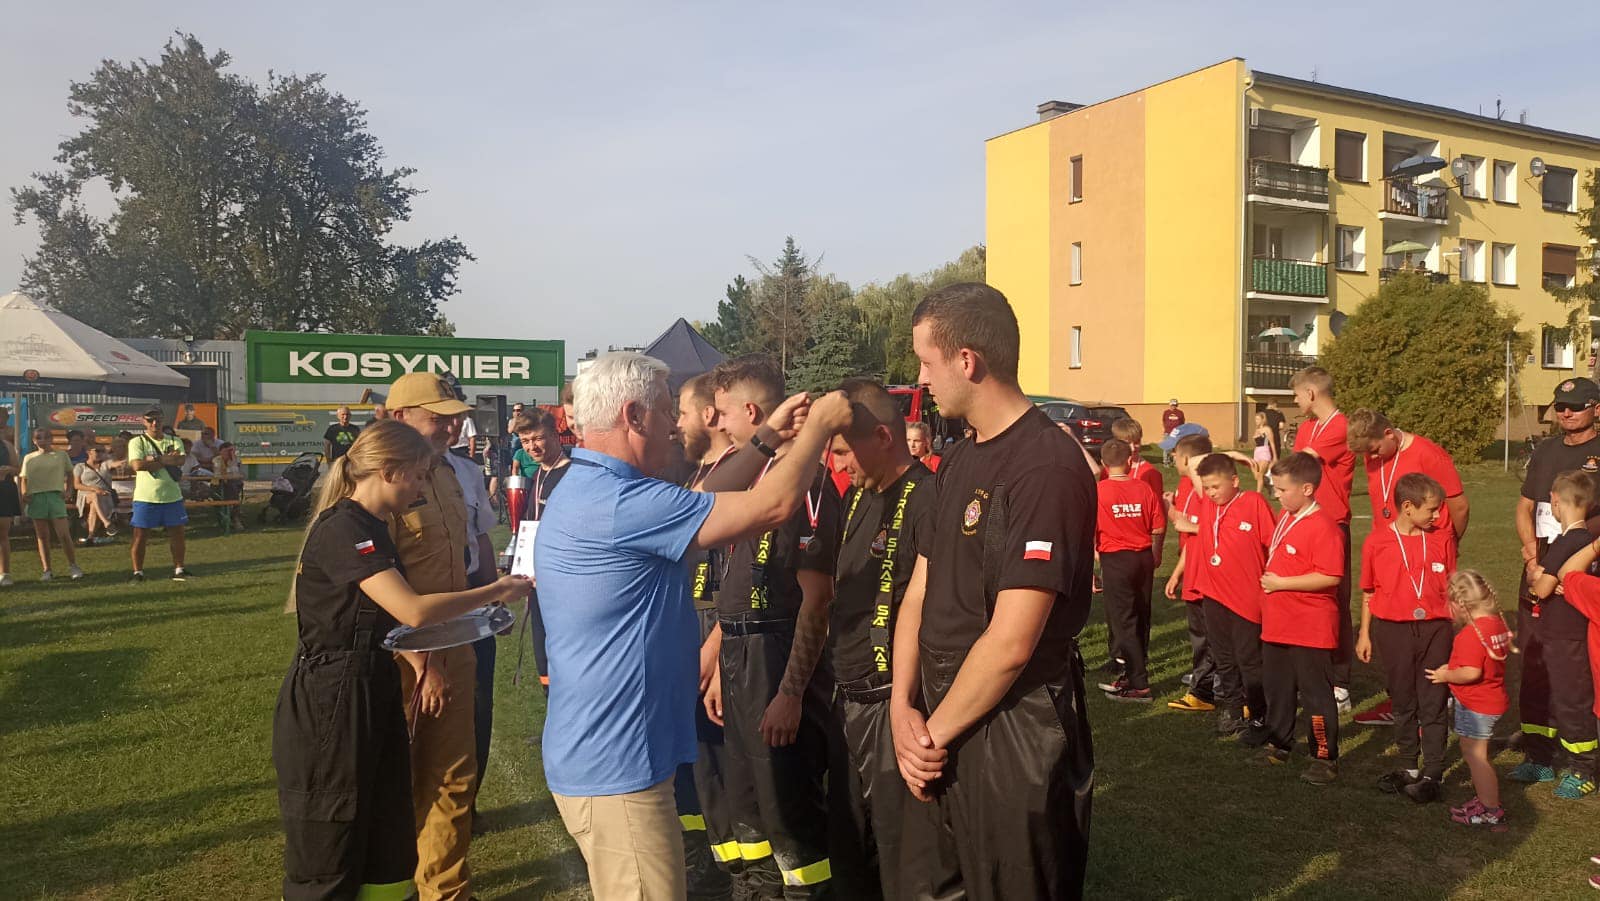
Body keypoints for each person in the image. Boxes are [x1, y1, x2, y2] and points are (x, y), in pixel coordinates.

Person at [534, 351, 853, 900]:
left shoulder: (596, 488)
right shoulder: (621, 504)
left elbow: (697, 500)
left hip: (604, 757)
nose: (676, 426)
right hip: (620, 769)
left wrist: (765, 440)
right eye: (666, 411)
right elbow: (773, 505)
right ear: (634, 416)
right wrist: (820, 426)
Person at [892, 283, 1096, 900]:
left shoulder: (1045, 466)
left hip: (1013, 722)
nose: (921, 379)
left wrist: (928, 737)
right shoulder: (958, 459)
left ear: (967, 361)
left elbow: (1011, 643)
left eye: (926, 362)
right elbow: (919, 591)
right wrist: (902, 705)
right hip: (940, 714)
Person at [273, 418, 532, 901]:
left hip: (373, 683)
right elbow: (410, 609)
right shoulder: (345, 528)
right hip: (333, 698)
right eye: (417, 475)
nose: (421, 486)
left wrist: (419, 661)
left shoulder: (372, 526)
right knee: (333, 836)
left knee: (387, 838)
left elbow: (386, 623)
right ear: (389, 471)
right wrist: (495, 591)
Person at [702, 353, 841, 898]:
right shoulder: (749, 476)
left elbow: (817, 599)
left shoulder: (808, 483)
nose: (716, 423)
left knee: (788, 807)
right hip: (739, 653)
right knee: (747, 806)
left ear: (752, 411)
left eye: (723, 413)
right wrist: (721, 660)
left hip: (775, 653)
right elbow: (733, 578)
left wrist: (790, 692)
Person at [822, 378, 933, 897]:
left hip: (893, 702)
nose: (839, 464)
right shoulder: (859, 496)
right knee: (848, 842)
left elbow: (929, 606)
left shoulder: (926, 498)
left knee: (903, 851)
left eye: (845, 451)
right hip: (847, 696)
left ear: (884, 438)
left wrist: (905, 698)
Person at [386, 372, 482, 901]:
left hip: (454, 644)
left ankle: (445, 891)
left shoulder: (445, 472)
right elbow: (374, 586)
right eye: (438, 417)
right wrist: (422, 660)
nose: (452, 426)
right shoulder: (372, 478)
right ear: (399, 417)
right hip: (398, 657)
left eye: (455, 417)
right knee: (392, 778)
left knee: (452, 776)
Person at [1344, 408, 1471, 727]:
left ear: (1388, 434)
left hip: (1428, 549)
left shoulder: (1429, 454)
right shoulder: (1373, 456)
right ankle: (1399, 702)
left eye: (1374, 449)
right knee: (1395, 631)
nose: (1371, 457)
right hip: (1390, 551)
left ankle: (1438, 702)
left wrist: (1447, 543)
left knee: (1431, 626)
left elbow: (1458, 505)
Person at [1357, 472, 1456, 804]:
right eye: (1432, 509)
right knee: (1402, 699)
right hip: (1393, 630)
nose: (1437, 515)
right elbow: (1369, 591)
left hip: (1435, 629)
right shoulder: (1377, 542)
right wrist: (1364, 633)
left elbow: (1453, 586)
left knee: (1433, 699)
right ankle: (1409, 766)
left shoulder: (1442, 538)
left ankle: (1433, 772)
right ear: (1409, 507)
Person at [1255, 453, 1343, 784]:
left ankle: (1323, 757)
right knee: (1278, 688)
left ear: (1307, 489)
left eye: (1282, 490)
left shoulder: (1324, 527)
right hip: (1278, 622)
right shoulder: (1287, 515)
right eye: (1275, 489)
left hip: (1309, 625)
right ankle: (1279, 743)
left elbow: (1330, 576)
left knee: (1316, 695)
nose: (1277, 495)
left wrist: (1282, 584)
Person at [1518, 469, 1598, 798]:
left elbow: (1541, 587)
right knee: (1544, 693)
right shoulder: (1583, 541)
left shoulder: (1568, 541)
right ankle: (1541, 756)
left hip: (1568, 637)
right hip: (1556, 633)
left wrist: (1536, 576)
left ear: (1555, 501)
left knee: (1571, 699)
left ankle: (1583, 768)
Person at [1183, 452, 1274, 741]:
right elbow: (1193, 462)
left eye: (1216, 486)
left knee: (1249, 660)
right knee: (1223, 657)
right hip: (1214, 595)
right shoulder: (1210, 504)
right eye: (1207, 487)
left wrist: (1235, 456)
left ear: (1234, 481)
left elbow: (1273, 544)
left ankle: (1259, 714)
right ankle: (1234, 710)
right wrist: (1228, 455)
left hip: (1247, 598)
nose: (1211, 493)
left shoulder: (1253, 503)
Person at [1289, 366, 1357, 712]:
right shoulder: (1307, 427)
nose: (1295, 401)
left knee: (1335, 602)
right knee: (1305, 599)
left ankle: (1340, 683)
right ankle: (1311, 673)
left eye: (1297, 395)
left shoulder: (1341, 426)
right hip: (1303, 523)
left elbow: (1302, 463)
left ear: (1311, 393)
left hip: (1332, 524)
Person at [1425, 570, 1514, 827]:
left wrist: (1446, 675)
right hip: (1491, 698)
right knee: (1476, 753)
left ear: (1460, 604)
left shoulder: (1470, 635)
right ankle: (1485, 799)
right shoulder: (1496, 624)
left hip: (1476, 705)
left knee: (1476, 757)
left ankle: (1490, 808)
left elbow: (1471, 672)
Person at [1095, 438, 1164, 702]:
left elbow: (1089, 531)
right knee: (1141, 613)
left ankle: (1139, 684)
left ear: (1104, 463)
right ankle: (1133, 672)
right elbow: (1158, 527)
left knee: (1123, 621)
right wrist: (1155, 553)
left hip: (1116, 559)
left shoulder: (1099, 491)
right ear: (1129, 461)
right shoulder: (1143, 487)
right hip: (1142, 557)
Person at [1163, 432, 1218, 712]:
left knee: (1210, 636)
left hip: (1208, 574)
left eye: (1175, 455)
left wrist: (1188, 524)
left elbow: (1211, 528)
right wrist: (1176, 574)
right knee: (1201, 634)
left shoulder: (1205, 492)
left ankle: (1207, 689)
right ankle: (1205, 684)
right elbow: (1187, 532)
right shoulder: (1186, 485)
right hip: (1193, 571)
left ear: (1186, 459)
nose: (1172, 459)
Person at [128, 409, 191, 582]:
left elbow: (180, 460)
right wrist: (164, 459)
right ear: (144, 421)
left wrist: (154, 460)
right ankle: (138, 572)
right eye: (150, 420)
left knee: (178, 534)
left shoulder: (174, 440)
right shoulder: (137, 442)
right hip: (146, 497)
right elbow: (137, 465)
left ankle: (179, 569)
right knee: (140, 535)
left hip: (172, 496)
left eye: (157, 419)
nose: (154, 423)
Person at [20, 428, 85, 581]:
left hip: (55, 496)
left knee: (63, 534)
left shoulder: (61, 455)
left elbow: (70, 473)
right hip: (36, 497)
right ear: (34, 440)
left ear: (51, 439)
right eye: (38, 438)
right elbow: (24, 478)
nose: (42, 440)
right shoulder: (29, 457)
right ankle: (47, 570)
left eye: (45, 437)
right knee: (42, 536)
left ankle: (73, 566)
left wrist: (68, 490)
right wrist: (24, 493)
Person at [75, 444, 117, 544]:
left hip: (104, 495)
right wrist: (94, 489)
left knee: (95, 504)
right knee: (94, 495)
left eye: (102, 451)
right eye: (97, 451)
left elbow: (117, 463)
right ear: (89, 452)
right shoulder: (80, 466)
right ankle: (106, 522)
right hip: (85, 495)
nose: (100, 453)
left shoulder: (105, 464)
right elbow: (77, 485)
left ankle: (90, 537)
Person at [0, 409, 17, 588]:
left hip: (4, 490)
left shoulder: (6, 445)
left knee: (2, 533)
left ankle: (5, 573)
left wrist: (8, 470)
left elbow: (17, 468)